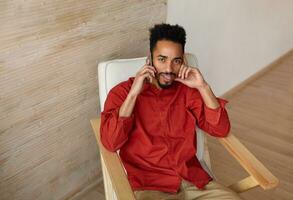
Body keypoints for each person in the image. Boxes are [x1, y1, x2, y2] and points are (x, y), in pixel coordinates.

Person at [100, 23, 242, 200]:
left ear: (183, 61)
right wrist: (134, 93)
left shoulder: (187, 90)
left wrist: (203, 87)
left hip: (193, 181)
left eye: (176, 61)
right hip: (150, 185)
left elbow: (221, 129)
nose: (168, 69)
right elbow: (110, 142)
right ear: (149, 58)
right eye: (162, 59)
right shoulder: (122, 93)